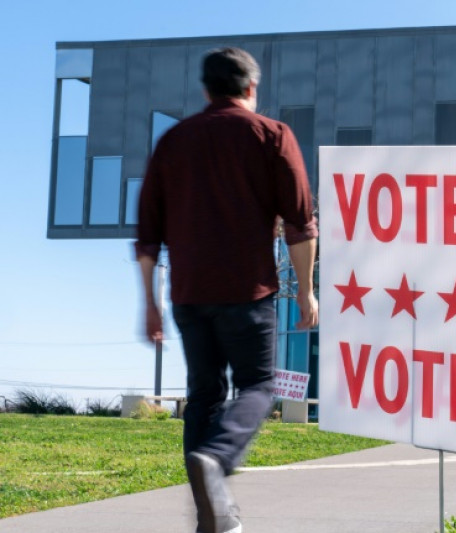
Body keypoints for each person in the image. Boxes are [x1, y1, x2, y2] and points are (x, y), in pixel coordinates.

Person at [135, 47, 318, 533]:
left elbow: (148, 234)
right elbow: (301, 224)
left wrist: (149, 304)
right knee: (258, 385)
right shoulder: (272, 135)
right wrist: (305, 292)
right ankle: (216, 460)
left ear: (206, 90)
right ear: (251, 88)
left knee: (204, 396)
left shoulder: (173, 141)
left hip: (189, 294)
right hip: (248, 290)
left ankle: (211, 518)